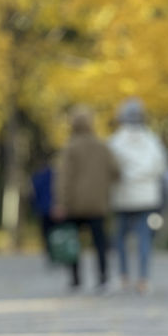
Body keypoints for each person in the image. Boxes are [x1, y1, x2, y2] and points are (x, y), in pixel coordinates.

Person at [52, 106, 120, 291]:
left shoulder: (69, 147)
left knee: (73, 242)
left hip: (74, 204)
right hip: (98, 202)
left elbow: (63, 178)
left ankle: (75, 279)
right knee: (99, 241)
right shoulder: (102, 146)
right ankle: (103, 278)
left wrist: (60, 202)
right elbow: (116, 172)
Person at [109, 98, 168, 294]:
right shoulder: (152, 140)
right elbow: (160, 166)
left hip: (122, 196)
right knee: (144, 238)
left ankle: (124, 276)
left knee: (120, 238)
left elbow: (111, 169)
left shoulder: (115, 141)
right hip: (146, 196)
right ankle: (144, 279)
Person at [30, 155, 54, 263]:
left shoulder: (37, 177)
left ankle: (50, 252)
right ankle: (53, 252)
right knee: (52, 232)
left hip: (43, 209)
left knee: (46, 233)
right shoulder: (53, 175)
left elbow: (33, 194)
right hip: (51, 208)